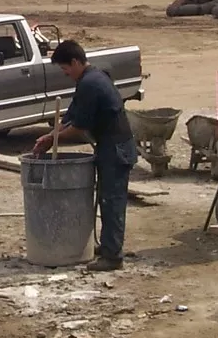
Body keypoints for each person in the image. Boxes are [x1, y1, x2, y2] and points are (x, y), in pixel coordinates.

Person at [33, 40, 137, 272]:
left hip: (116, 148)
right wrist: (50, 135)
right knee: (106, 199)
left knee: (112, 201)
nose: (66, 74)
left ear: (75, 62)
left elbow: (78, 128)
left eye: (65, 68)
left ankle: (113, 256)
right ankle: (109, 246)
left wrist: (52, 140)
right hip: (110, 146)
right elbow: (71, 117)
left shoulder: (91, 83)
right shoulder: (90, 79)